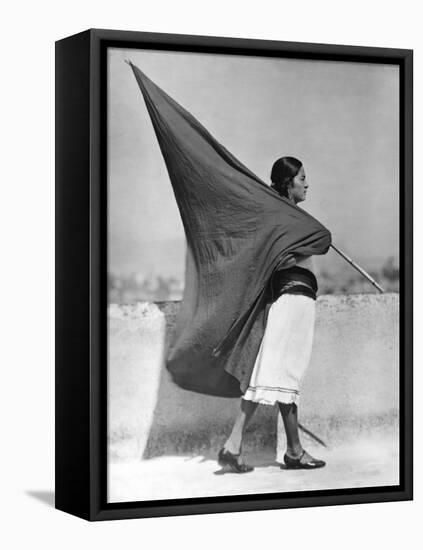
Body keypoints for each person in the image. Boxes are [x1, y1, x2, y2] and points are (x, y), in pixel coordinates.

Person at [217, 156, 326, 473]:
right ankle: (240, 444)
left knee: (275, 377)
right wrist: (301, 244)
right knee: (278, 375)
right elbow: (304, 248)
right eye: (302, 178)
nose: (307, 183)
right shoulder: (284, 218)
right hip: (292, 300)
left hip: (292, 299)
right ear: (288, 183)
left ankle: (287, 450)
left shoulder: (287, 217)